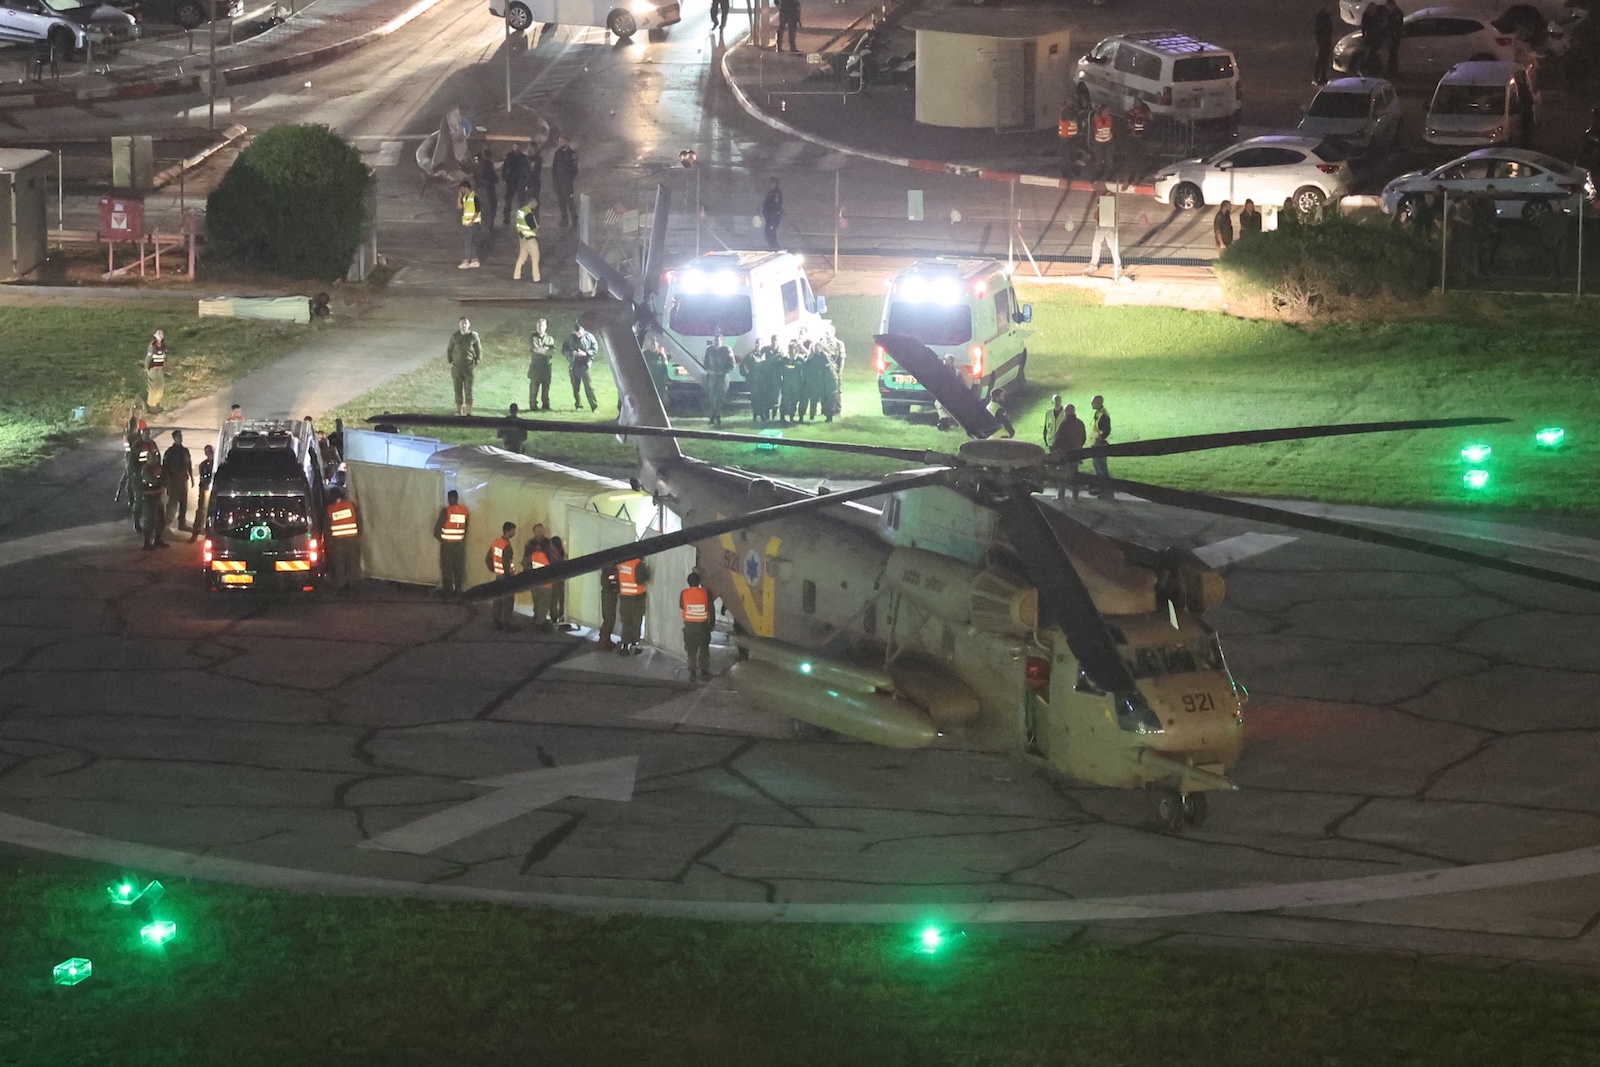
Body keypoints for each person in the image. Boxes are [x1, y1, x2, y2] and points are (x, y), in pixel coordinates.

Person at [1082, 184, 1123, 281]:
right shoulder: (1110, 196)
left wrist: (1097, 216)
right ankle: (1117, 264)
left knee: (1097, 243)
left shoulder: (1107, 196)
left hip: (1104, 223)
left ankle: (1093, 264)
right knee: (1112, 244)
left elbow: (1102, 211)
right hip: (1109, 222)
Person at [325, 487, 362, 591]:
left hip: (338, 542)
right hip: (352, 539)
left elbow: (327, 528)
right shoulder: (351, 505)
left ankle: (341, 586)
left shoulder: (330, 509)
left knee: (339, 564)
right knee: (353, 562)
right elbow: (359, 521)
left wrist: (328, 543)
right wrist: (358, 534)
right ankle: (353, 585)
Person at [434, 490, 470, 595]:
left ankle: (447, 591)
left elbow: (436, 530)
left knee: (447, 568)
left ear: (450, 498)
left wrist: (442, 540)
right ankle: (458, 590)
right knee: (458, 568)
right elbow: (465, 528)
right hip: (459, 545)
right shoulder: (464, 511)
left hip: (447, 545)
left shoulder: (446, 511)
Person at [680, 571, 713, 682]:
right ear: (699, 582)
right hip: (703, 626)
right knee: (704, 649)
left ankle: (693, 672)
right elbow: (711, 608)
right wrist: (712, 624)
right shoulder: (706, 593)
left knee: (691, 650)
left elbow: (681, 605)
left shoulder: (684, 593)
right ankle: (704, 670)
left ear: (688, 582)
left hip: (689, 627)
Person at [1051, 402, 1088, 501]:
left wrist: (1053, 450)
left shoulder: (1064, 424)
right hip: (1076, 452)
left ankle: (1061, 495)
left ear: (1067, 412)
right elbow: (1084, 438)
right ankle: (1075, 495)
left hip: (1065, 453)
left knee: (1062, 474)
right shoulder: (1080, 423)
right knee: (1074, 474)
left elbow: (1058, 439)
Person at [447, 317, 482, 416]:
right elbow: (449, 349)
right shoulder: (455, 337)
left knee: (468, 390)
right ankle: (459, 410)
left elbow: (479, 351)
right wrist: (450, 361)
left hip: (468, 368)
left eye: (465, 323)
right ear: (459, 325)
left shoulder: (473, 337)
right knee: (457, 389)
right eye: (462, 323)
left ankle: (469, 412)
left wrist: (476, 362)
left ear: (469, 325)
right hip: (457, 368)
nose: (464, 325)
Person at [486, 522, 518, 630]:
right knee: (508, 600)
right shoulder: (507, 546)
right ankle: (506, 623)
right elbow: (506, 563)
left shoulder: (496, 542)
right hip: (506, 576)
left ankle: (496, 620)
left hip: (498, 575)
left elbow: (488, 558)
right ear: (508, 531)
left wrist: (494, 569)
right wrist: (509, 575)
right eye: (513, 530)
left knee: (498, 598)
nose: (514, 532)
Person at [616, 555, 650, 654]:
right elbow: (641, 580)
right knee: (636, 623)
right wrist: (647, 572)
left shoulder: (621, 563)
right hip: (636, 599)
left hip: (624, 598)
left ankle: (625, 646)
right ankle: (635, 646)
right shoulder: (638, 564)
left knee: (626, 623)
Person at [523, 524, 554, 631]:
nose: (540, 533)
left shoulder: (548, 543)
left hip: (542, 578)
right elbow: (525, 561)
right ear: (534, 532)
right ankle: (539, 622)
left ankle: (538, 620)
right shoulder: (531, 544)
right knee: (538, 600)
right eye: (538, 531)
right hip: (538, 578)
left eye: (541, 530)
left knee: (542, 601)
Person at [162, 429, 193, 532]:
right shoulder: (169, 453)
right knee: (172, 503)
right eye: (179, 436)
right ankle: (166, 523)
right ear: (174, 438)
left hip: (183, 480)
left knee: (183, 503)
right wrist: (166, 482)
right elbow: (165, 468)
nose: (181, 438)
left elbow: (189, 464)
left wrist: (191, 477)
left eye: (181, 436)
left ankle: (182, 523)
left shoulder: (185, 451)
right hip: (173, 481)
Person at [563, 324, 599, 412]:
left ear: (583, 330)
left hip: (585, 365)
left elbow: (595, 348)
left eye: (580, 332)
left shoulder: (589, 337)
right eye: (577, 333)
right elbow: (564, 349)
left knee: (589, 387)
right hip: (574, 365)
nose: (578, 334)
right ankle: (578, 405)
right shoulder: (570, 338)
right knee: (575, 387)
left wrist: (586, 353)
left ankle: (594, 407)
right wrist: (572, 354)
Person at [138, 453, 168, 550]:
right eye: (152, 457)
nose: (154, 459)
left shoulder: (160, 468)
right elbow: (152, 480)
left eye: (155, 457)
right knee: (149, 520)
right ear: (148, 458)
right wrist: (158, 484)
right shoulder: (145, 469)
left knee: (161, 519)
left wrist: (161, 485)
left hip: (158, 497)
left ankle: (158, 539)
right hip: (148, 497)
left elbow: (165, 479)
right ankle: (147, 542)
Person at [703, 333, 735, 426]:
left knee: (720, 397)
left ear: (722, 341)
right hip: (712, 376)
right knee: (712, 397)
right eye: (715, 341)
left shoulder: (727, 350)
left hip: (723, 377)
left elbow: (732, 364)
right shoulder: (709, 350)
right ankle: (714, 415)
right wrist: (709, 370)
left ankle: (717, 415)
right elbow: (705, 363)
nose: (716, 342)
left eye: (718, 341)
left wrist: (724, 372)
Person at [803, 342, 838, 422]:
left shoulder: (824, 356)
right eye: (815, 347)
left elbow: (827, 368)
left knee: (826, 400)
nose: (816, 348)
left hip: (825, 381)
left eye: (818, 347)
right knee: (813, 400)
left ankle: (829, 416)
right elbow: (806, 365)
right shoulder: (812, 357)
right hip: (815, 381)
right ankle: (812, 416)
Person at [551, 135, 578, 228]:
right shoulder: (558, 153)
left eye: (562, 142)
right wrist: (554, 178)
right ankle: (564, 218)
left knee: (569, 200)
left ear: (566, 142)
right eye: (559, 142)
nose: (560, 143)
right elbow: (554, 166)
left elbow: (574, 168)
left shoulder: (571, 153)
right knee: (561, 200)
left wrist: (569, 178)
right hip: (558, 181)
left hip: (567, 181)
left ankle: (574, 219)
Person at [189, 444, 214, 542]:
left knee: (211, 511)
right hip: (204, 489)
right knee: (201, 511)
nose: (209, 454)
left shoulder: (217, 464)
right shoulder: (203, 465)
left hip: (213, 491)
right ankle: (196, 532)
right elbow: (203, 477)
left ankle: (209, 531)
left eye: (210, 451)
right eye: (207, 452)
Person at [528, 318, 555, 411]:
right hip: (536, 366)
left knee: (546, 387)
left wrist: (542, 350)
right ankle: (533, 405)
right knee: (534, 387)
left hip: (546, 367)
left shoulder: (550, 338)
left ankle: (546, 405)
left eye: (542, 326)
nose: (540, 328)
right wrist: (546, 350)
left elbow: (552, 351)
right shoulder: (533, 337)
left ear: (546, 327)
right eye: (538, 326)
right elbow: (535, 349)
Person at [513, 196, 541, 283]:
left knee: (522, 257)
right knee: (535, 257)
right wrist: (537, 229)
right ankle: (536, 277)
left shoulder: (520, 211)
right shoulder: (529, 213)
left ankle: (516, 275)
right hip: (530, 238)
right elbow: (533, 226)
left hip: (522, 238)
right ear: (531, 203)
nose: (535, 206)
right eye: (535, 204)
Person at [501, 143, 530, 225]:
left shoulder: (523, 157)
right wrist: (504, 178)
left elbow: (526, 169)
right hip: (511, 180)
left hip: (520, 180)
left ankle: (520, 217)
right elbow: (505, 167)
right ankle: (506, 217)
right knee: (509, 200)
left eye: (518, 147)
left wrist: (526, 179)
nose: (516, 149)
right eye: (515, 147)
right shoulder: (510, 156)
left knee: (521, 200)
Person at [1123, 99, 1151, 185]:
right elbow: (1124, 123)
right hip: (1130, 138)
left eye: (1137, 102)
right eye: (1134, 102)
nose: (1135, 104)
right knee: (1128, 160)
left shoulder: (1144, 114)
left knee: (1139, 160)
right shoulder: (1129, 113)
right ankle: (1126, 180)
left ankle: (1136, 179)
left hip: (1140, 139)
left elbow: (1148, 126)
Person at [1089, 394, 1112, 494]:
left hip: (1100, 446)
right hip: (1096, 445)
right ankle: (1101, 488)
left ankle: (1108, 490)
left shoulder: (1103, 415)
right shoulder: (1098, 413)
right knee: (1098, 467)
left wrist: (1099, 441)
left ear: (1099, 403)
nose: (1091, 403)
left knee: (1102, 468)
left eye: (1093, 402)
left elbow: (1106, 431)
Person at [457, 180, 482, 269]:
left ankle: (469, 260)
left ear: (465, 188)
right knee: (470, 242)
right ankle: (472, 259)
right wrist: (459, 196)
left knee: (470, 242)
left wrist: (471, 222)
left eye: (461, 189)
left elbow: (477, 211)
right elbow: (459, 206)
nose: (460, 191)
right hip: (467, 224)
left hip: (473, 224)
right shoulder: (465, 198)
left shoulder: (475, 197)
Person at [597, 562, 621, 651]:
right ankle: (604, 640)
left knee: (609, 618)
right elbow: (609, 583)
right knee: (609, 619)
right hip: (609, 596)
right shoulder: (609, 571)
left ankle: (605, 639)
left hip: (609, 596)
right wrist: (616, 585)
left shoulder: (606, 570)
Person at [547, 535, 568, 628]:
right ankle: (560, 616)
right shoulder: (562, 553)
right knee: (560, 597)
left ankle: (555, 616)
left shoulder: (552, 554)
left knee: (555, 598)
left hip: (555, 578)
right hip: (560, 578)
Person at [475, 149, 499, 233]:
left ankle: (481, 225)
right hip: (489, 189)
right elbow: (495, 178)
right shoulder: (489, 165)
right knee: (491, 207)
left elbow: (475, 177)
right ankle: (489, 226)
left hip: (480, 189)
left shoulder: (478, 165)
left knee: (482, 207)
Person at [144, 329, 168, 413]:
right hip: (153, 369)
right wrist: (147, 367)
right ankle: (151, 406)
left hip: (160, 369)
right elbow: (148, 358)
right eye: (159, 335)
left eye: (161, 335)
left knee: (160, 386)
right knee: (153, 386)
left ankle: (157, 402)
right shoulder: (152, 346)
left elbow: (164, 356)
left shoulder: (163, 345)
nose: (160, 336)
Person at [1091, 104, 1115, 178]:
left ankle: (1107, 173)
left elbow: (1113, 128)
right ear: (1102, 111)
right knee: (1098, 158)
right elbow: (1092, 128)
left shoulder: (1110, 118)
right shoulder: (1096, 118)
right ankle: (1099, 172)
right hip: (1098, 141)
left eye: (1109, 110)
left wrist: (1112, 135)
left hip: (1108, 141)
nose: (1108, 112)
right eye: (1107, 110)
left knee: (1108, 158)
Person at [1313, 6, 1334, 85]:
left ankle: (1320, 76)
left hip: (1323, 43)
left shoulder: (1320, 21)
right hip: (1324, 43)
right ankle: (1319, 76)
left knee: (1322, 60)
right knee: (1322, 60)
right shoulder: (1325, 21)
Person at [761, 178, 783, 250]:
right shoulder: (770, 192)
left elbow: (776, 205)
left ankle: (775, 246)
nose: (769, 185)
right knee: (768, 232)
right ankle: (773, 246)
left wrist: (772, 214)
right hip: (769, 216)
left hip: (773, 217)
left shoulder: (776, 193)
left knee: (770, 232)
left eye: (771, 183)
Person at [1382, 0, 1402, 77]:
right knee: (1391, 54)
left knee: (1393, 55)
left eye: (1388, 6)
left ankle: (1393, 72)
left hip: (1394, 37)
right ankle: (1391, 71)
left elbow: (1395, 26)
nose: (1387, 8)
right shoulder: (1391, 13)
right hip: (1391, 36)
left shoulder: (1397, 14)